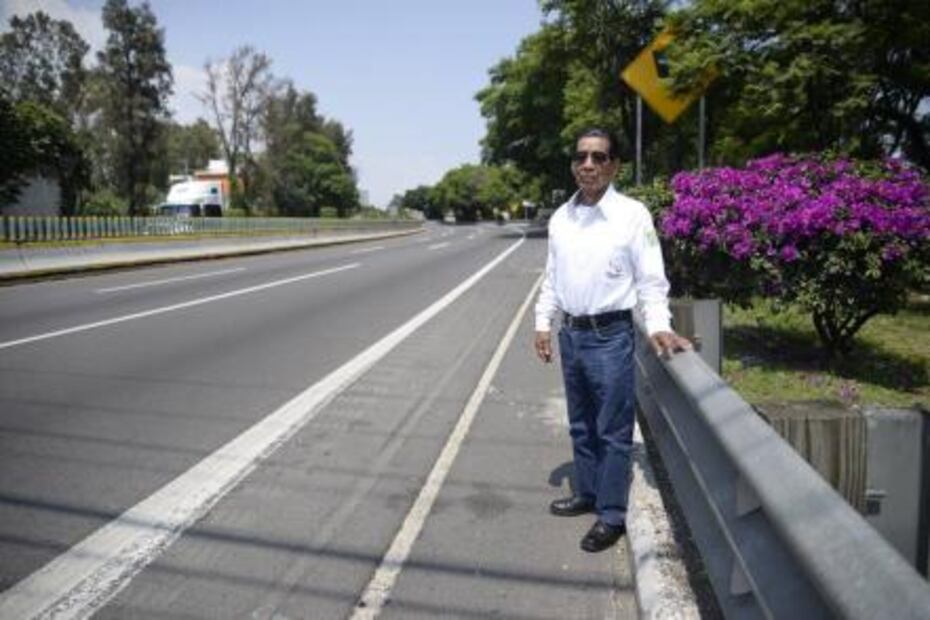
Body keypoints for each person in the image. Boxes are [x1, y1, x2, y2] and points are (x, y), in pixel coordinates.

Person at [534, 128, 691, 553]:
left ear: (614, 165)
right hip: (572, 333)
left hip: (610, 337)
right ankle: (587, 492)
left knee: (612, 430)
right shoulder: (561, 217)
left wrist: (658, 325)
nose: (588, 164)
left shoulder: (632, 214)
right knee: (581, 423)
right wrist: (542, 323)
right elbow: (552, 276)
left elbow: (651, 280)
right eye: (581, 156)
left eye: (598, 157)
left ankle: (611, 515)